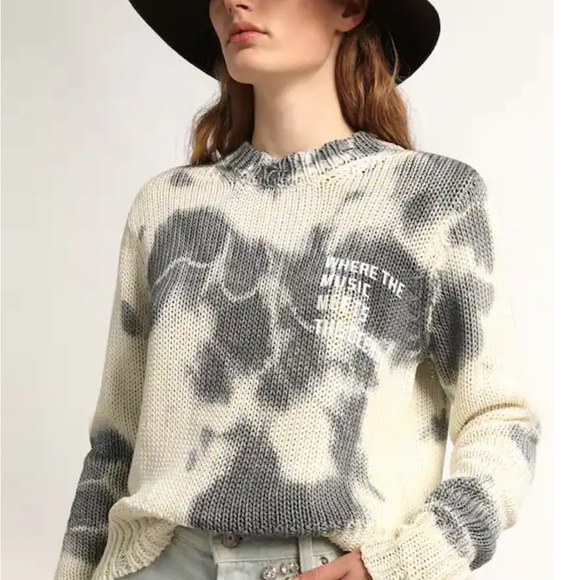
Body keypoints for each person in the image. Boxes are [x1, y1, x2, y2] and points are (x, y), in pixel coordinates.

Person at [54, 0, 543, 579]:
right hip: (159, 562)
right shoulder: (166, 208)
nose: (233, 2)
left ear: (350, 8)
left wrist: (402, 564)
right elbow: (114, 448)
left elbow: (501, 421)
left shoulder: (431, 201)